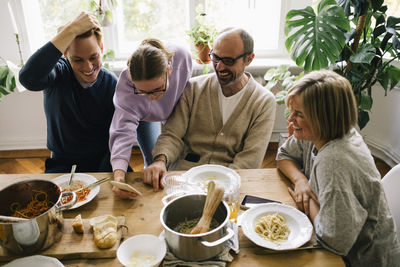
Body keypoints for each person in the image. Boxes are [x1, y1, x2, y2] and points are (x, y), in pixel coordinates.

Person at [276, 69, 400, 266]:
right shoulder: (321, 132)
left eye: (298, 114)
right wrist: (301, 182)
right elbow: (283, 155)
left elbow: (333, 242)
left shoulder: (334, 161)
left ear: (322, 117)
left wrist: (310, 203)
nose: (290, 120)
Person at [143, 28, 276, 191]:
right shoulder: (192, 88)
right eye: (215, 57)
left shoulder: (263, 102)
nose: (219, 67)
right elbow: (172, 134)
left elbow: (250, 159)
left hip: (230, 184)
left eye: (228, 61)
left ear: (249, 59)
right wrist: (160, 160)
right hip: (184, 179)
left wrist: (220, 190)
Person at [19, 12, 116, 173]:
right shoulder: (57, 73)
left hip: (104, 161)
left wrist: (102, 177)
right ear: (64, 54)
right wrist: (70, 30)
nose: (88, 67)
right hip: (63, 163)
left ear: (101, 48)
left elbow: (115, 138)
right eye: (78, 60)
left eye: (93, 57)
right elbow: (28, 78)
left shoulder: (111, 83)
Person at [109, 38, 192, 199]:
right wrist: (119, 175)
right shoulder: (126, 87)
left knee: (174, 153)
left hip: (176, 106)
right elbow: (122, 132)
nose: (152, 98)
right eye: (143, 92)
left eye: (157, 90)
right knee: (153, 156)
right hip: (144, 117)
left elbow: (189, 95)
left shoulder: (182, 58)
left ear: (169, 71)